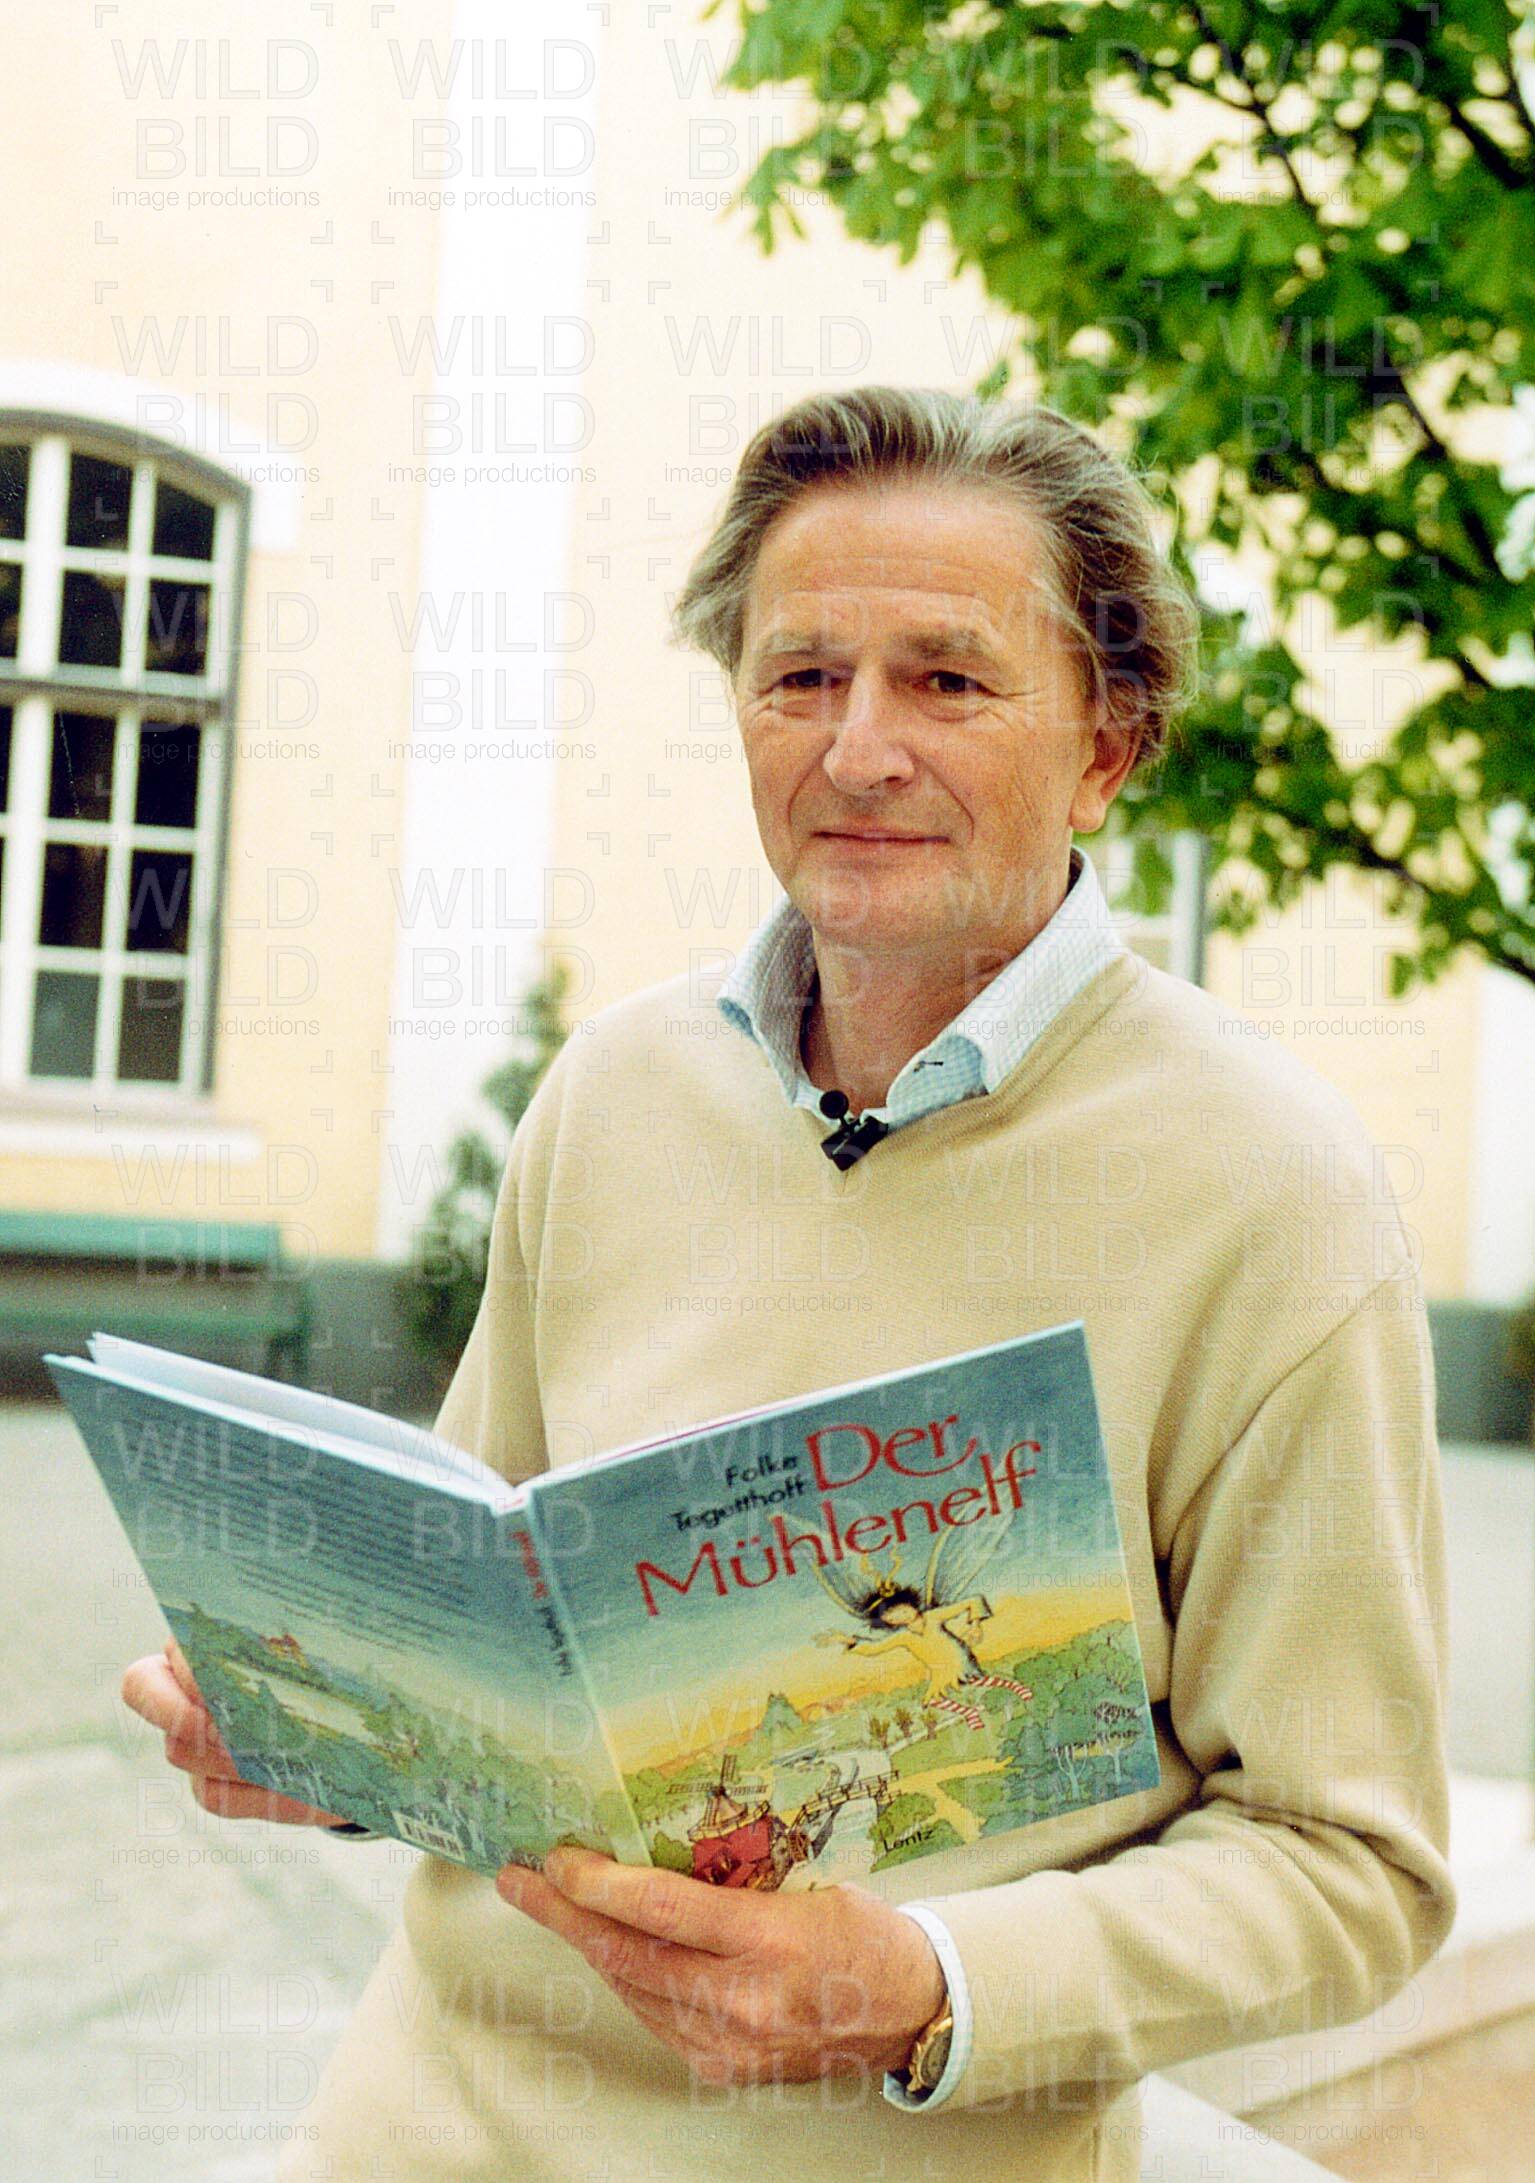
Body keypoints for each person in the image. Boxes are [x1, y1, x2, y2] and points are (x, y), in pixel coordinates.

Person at [122, 386, 1457, 2182]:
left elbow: (1352, 1867)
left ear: (1109, 747)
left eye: (948, 681)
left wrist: (931, 1987)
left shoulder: (1273, 1194)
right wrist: (333, 1726)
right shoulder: (613, 1093)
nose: (858, 750)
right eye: (801, 676)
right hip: (420, 2130)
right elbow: (477, 1650)